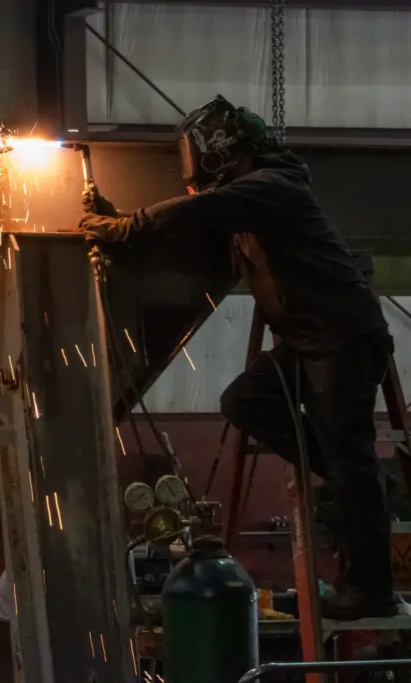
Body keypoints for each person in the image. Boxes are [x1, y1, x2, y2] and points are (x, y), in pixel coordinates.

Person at [75, 95, 396, 620]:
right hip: (305, 342)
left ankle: (371, 589)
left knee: (348, 460)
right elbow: (195, 222)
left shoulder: (275, 187)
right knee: (245, 401)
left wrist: (128, 227)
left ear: (223, 151)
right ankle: (351, 472)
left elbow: (200, 210)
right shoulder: (250, 199)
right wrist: (121, 228)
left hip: (344, 340)